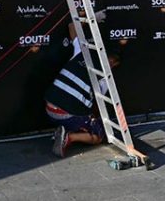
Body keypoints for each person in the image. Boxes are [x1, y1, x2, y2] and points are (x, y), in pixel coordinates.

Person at [44, 14, 118, 158]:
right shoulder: (105, 77)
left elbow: (72, 26)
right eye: (114, 63)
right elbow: (97, 104)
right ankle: (69, 137)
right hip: (66, 114)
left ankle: (65, 129)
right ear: (113, 63)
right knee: (98, 135)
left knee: (81, 113)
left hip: (49, 109)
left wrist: (92, 17)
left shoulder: (82, 53)